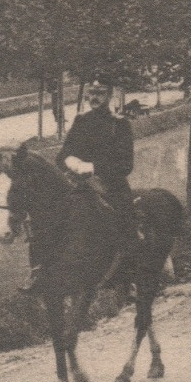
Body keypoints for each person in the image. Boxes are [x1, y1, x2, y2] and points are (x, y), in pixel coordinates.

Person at [42, 78, 137, 291]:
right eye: (91, 93)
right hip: (79, 185)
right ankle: (44, 271)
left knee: (125, 224)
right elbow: (62, 155)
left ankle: (128, 277)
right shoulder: (81, 121)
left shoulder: (119, 124)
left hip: (110, 185)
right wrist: (72, 162)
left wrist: (94, 167)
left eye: (100, 93)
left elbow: (126, 164)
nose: (94, 97)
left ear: (110, 95)